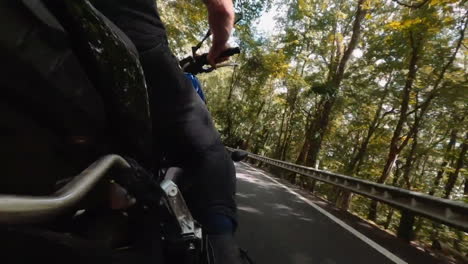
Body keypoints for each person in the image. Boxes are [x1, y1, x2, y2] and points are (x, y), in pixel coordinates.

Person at [90, 0, 243, 263]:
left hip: (53, 31)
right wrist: (219, 44)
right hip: (129, 42)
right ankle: (222, 248)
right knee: (213, 156)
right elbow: (222, 9)